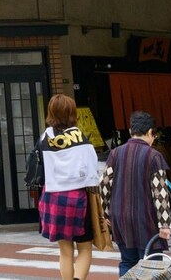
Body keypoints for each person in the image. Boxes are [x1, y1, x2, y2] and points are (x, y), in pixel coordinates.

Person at [34, 95, 103, 280]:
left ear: (51, 113)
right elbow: (92, 173)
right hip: (78, 200)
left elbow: (36, 168)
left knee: (65, 251)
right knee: (84, 248)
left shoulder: (44, 138)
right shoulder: (81, 138)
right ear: (73, 113)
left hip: (53, 198)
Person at [97, 111, 171, 277]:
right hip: (146, 221)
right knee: (151, 266)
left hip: (120, 218)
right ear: (150, 133)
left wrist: (105, 212)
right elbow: (160, 193)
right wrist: (165, 224)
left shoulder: (115, 153)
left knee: (127, 262)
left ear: (131, 132)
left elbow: (104, 185)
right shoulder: (154, 156)